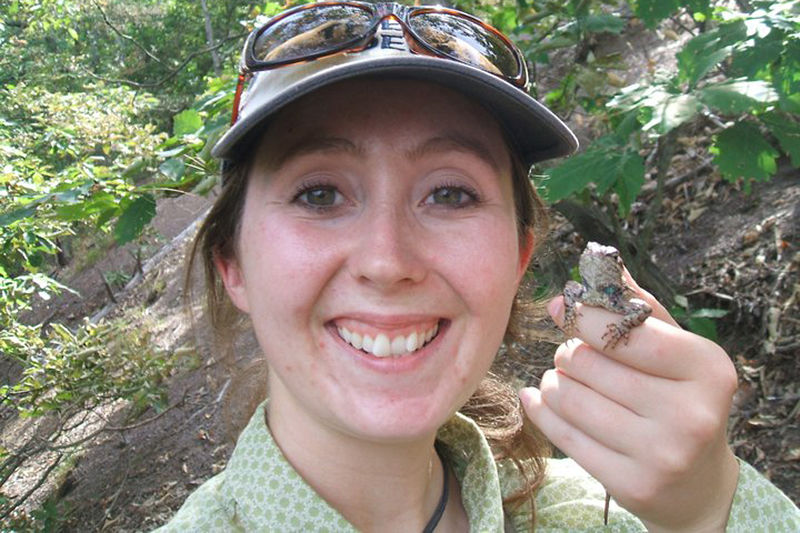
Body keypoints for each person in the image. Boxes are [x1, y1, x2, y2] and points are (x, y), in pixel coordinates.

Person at [157, 2, 800, 531]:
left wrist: (708, 509)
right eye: (319, 194)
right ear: (232, 264)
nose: (387, 261)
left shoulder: (591, 515)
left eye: (450, 193)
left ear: (519, 258)